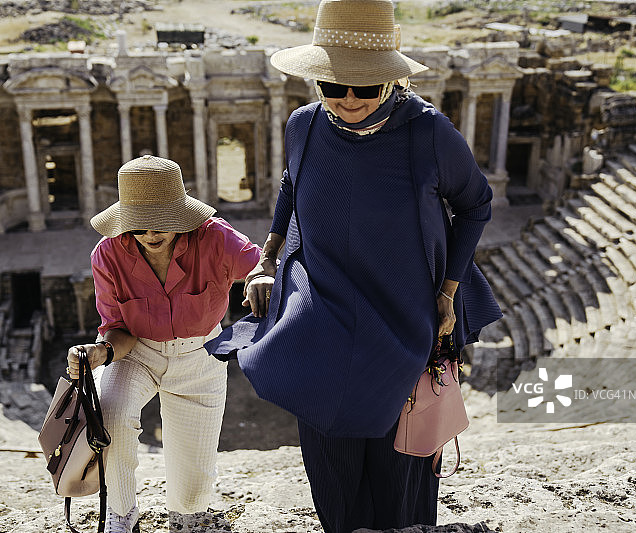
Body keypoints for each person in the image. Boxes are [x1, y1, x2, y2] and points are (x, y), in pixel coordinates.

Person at [205, 0, 503, 532]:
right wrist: (266, 261)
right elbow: (291, 188)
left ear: (391, 82)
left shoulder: (428, 134)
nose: (348, 101)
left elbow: (475, 204)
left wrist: (448, 291)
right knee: (331, 463)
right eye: (332, 87)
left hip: (402, 314)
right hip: (323, 316)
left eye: (365, 88)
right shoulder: (304, 126)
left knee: (399, 469)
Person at [66, 155, 261, 533]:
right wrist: (99, 352)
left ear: (181, 216)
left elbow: (261, 264)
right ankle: (121, 514)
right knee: (113, 416)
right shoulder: (107, 254)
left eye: (163, 224)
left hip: (199, 356)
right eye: (139, 226)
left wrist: (259, 278)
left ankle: (186, 517)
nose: (152, 234)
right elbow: (117, 330)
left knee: (193, 473)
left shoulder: (214, 236)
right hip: (133, 353)